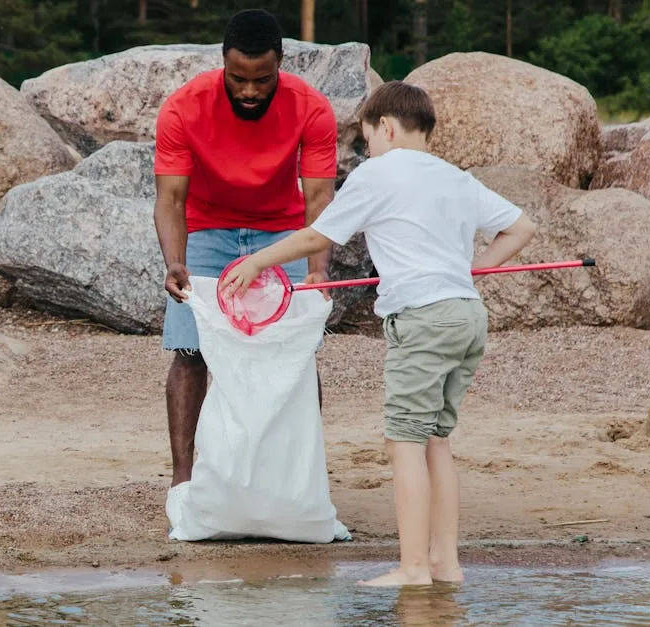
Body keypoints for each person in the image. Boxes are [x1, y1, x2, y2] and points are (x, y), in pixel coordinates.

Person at [218, 81, 538, 586]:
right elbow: (521, 227)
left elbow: (317, 234)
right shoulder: (456, 178)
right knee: (435, 439)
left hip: (424, 319)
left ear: (385, 127)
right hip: (467, 316)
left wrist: (256, 260)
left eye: (367, 140)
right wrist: (471, 268)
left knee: (403, 443)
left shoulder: (378, 173)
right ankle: (445, 565)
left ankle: (413, 569)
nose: (369, 149)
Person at [152, 8, 339, 488]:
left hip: (282, 233)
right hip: (208, 229)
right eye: (238, 79)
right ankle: (183, 478)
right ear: (223, 64)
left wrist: (317, 270)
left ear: (281, 63)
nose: (251, 91)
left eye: (262, 79)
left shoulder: (311, 107)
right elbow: (171, 199)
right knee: (191, 350)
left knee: (295, 352)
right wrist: (176, 261)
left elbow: (319, 198)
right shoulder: (183, 107)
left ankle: (296, 476)